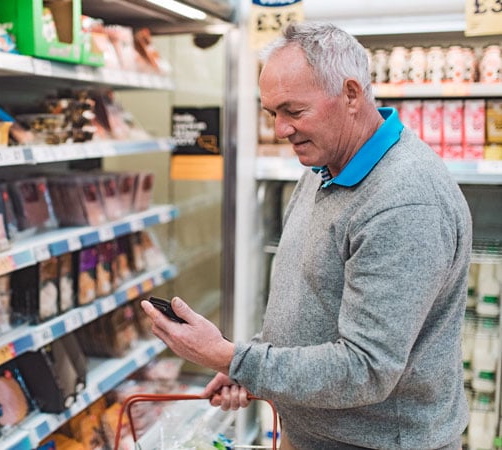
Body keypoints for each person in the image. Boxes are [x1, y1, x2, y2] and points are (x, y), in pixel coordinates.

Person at [140, 21, 472, 450]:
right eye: (272, 113)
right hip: (312, 434)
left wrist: (231, 356)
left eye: (293, 111)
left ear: (351, 95)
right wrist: (249, 364)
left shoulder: (404, 203)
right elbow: (314, 300)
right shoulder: (325, 165)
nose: (281, 129)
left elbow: (366, 369)